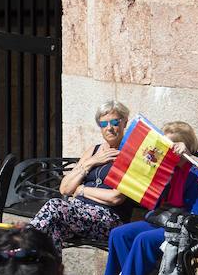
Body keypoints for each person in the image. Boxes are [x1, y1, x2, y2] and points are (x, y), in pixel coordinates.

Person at [103, 121, 198, 275]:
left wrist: (189, 157)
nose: (165, 150)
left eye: (169, 146)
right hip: (166, 220)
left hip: (193, 227)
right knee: (119, 234)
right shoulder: (167, 167)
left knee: (144, 240)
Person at [28, 101, 133, 253]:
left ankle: (16, 250)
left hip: (109, 219)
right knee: (53, 229)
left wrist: (82, 190)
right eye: (104, 124)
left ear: (125, 123)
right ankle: (47, 272)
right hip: (78, 214)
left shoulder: (131, 155)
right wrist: (92, 161)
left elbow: (116, 197)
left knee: (54, 206)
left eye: (115, 122)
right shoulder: (93, 151)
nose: (109, 128)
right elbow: (65, 188)